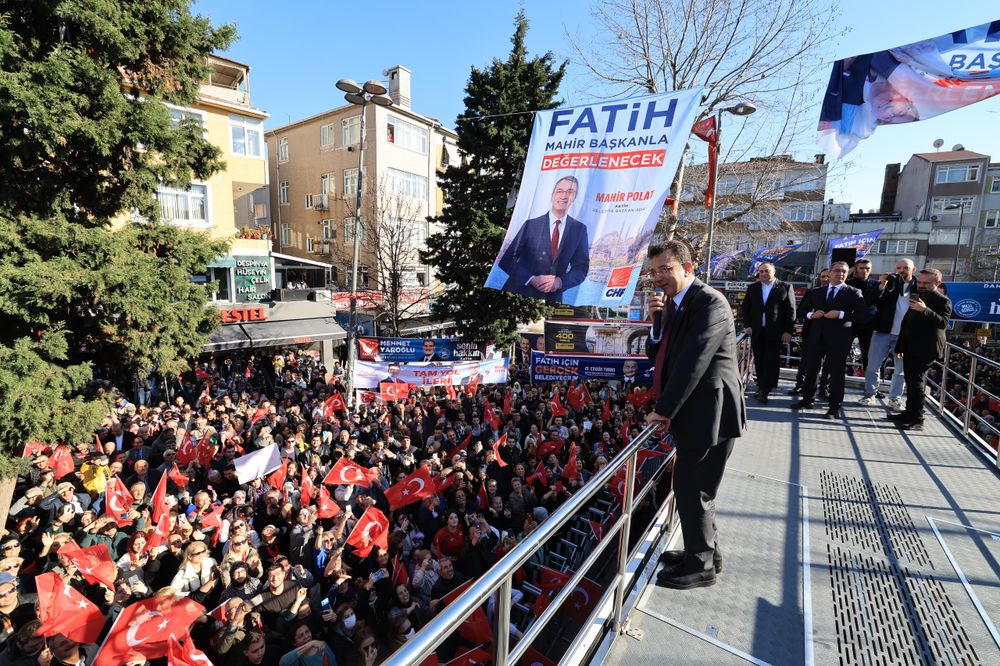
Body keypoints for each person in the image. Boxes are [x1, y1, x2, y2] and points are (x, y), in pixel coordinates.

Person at [644, 241, 746, 589]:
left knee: (692, 488)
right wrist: (655, 321)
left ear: (688, 268)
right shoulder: (673, 304)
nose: (658, 277)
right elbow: (656, 354)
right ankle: (703, 552)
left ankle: (701, 565)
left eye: (665, 269)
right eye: (654, 270)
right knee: (693, 487)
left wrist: (663, 411)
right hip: (696, 411)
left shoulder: (710, 302)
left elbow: (693, 361)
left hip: (710, 412)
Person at [498, 176, 590, 302]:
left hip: (552, 299)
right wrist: (531, 279)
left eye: (570, 192)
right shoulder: (531, 225)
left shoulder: (579, 229)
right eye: (559, 191)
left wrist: (560, 282)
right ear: (552, 195)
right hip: (519, 295)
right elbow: (507, 260)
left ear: (575, 197)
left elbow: (581, 267)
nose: (564, 196)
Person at [791, 261, 864, 419]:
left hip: (839, 340)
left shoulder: (854, 292)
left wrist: (841, 314)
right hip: (816, 337)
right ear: (829, 273)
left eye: (844, 271)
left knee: (836, 374)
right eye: (836, 271)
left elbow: (864, 315)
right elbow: (801, 310)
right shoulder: (817, 292)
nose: (840, 273)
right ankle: (807, 400)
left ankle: (834, 408)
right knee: (811, 370)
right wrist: (811, 315)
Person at [889, 268, 952, 431]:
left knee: (916, 382)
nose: (921, 285)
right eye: (920, 282)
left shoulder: (943, 301)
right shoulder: (917, 296)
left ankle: (917, 418)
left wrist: (925, 310)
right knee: (911, 381)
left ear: (937, 283)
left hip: (926, 348)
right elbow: (907, 323)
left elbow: (943, 323)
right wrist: (900, 345)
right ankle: (909, 413)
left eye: (926, 283)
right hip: (911, 346)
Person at [859, 258, 915, 409]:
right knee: (873, 364)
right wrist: (881, 284)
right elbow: (870, 301)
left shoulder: (918, 286)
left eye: (905, 267)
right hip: (883, 331)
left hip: (904, 335)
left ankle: (895, 399)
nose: (901, 270)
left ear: (913, 269)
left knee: (901, 369)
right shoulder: (890, 283)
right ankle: (870, 395)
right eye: (898, 267)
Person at [741, 262, 796, 404]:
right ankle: (762, 386)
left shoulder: (785, 287)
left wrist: (788, 331)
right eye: (761, 271)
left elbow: (791, 311)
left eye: (767, 271)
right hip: (757, 330)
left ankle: (765, 389)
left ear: (774, 271)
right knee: (759, 359)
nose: (764, 273)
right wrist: (747, 326)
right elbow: (745, 309)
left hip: (776, 331)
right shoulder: (752, 288)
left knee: (771, 360)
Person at [791, 268, 831, 396]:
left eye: (827, 276)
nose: (825, 279)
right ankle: (800, 384)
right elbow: (801, 311)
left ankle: (824, 387)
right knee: (806, 361)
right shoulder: (812, 292)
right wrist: (811, 314)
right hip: (811, 332)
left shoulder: (841, 294)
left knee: (828, 363)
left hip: (830, 335)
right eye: (823, 276)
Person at [846, 258, 879, 373]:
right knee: (841, 351)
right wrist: (846, 274)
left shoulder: (877, 284)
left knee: (868, 355)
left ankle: (869, 386)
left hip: (869, 324)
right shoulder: (848, 284)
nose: (865, 271)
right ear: (855, 269)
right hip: (850, 322)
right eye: (862, 268)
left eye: (868, 268)